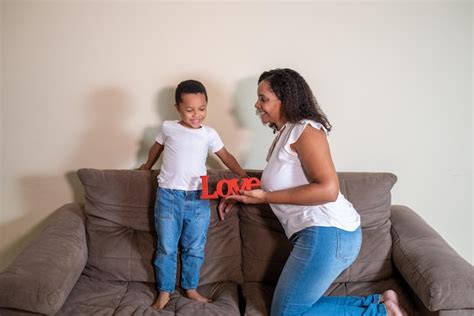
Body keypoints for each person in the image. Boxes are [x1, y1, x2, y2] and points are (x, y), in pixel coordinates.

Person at [218, 69, 406, 316]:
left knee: (286, 314)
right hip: (319, 234)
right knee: (293, 310)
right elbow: (284, 184)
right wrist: (242, 192)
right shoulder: (285, 134)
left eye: (263, 98)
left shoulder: (306, 130)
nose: (257, 104)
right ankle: (380, 304)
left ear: (285, 100)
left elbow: (328, 189)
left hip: (329, 233)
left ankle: (383, 314)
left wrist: (265, 197)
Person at [139, 79, 247, 309]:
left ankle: (190, 288)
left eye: (202, 108)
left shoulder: (209, 134)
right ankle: (165, 292)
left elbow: (225, 156)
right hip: (168, 197)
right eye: (189, 110)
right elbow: (156, 148)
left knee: (195, 247)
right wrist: (146, 165)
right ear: (178, 107)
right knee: (166, 247)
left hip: (198, 198)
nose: (196, 114)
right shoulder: (168, 127)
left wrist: (242, 175)